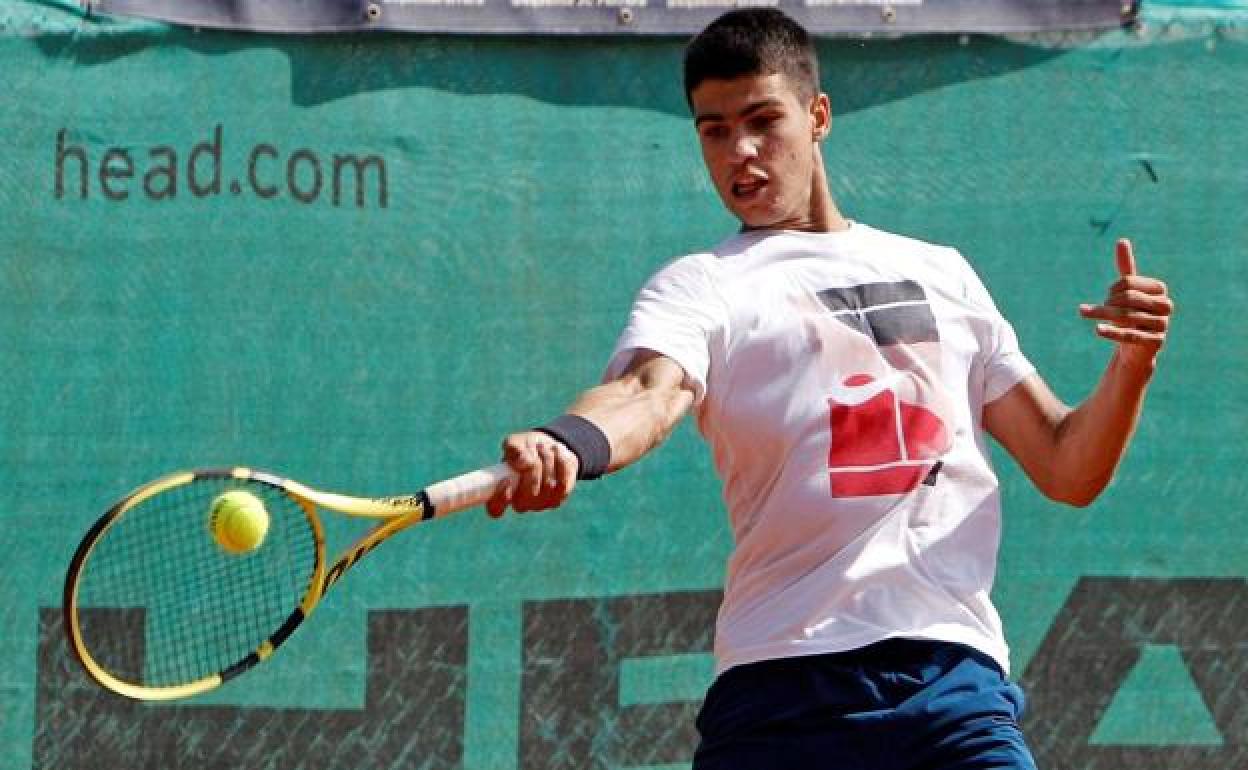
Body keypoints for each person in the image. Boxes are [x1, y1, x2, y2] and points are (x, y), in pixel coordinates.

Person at [485, 9, 1173, 769]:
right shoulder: (704, 286)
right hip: (781, 690)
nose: (740, 151)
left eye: (761, 120)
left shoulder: (942, 273)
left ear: (818, 117)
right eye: (713, 130)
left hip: (952, 686)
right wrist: (570, 441)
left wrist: (1131, 365)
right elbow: (649, 390)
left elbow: (1066, 465)